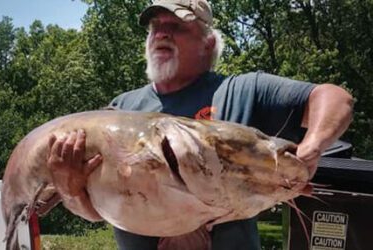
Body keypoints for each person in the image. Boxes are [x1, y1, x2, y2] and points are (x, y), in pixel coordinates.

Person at [47, 0, 353, 249]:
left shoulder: (243, 90)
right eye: (156, 27)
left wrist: (311, 149)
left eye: (176, 27)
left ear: (207, 44)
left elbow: (335, 99)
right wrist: (72, 193)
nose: (161, 34)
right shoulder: (119, 110)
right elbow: (97, 213)